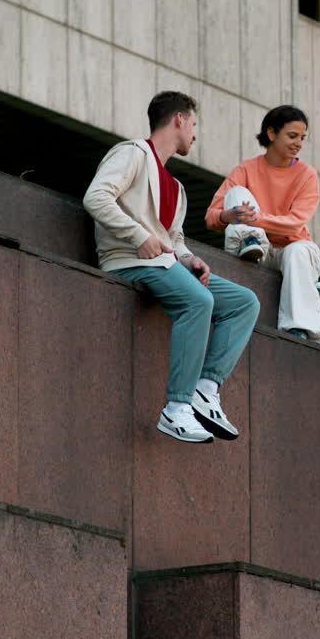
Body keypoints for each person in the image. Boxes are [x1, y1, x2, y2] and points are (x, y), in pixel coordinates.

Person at [83, 91, 259, 444]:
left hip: (163, 264)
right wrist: (137, 236)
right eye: (194, 124)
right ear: (179, 119)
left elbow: (173, 240)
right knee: (199, 301)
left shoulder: (176, 188)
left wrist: (188, 258)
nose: (195, 134)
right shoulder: (131, 153)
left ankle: (205, 389)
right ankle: (176, 409)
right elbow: (95, 197)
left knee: (244, 303)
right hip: (128, 260)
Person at [204, 105, 320, 343]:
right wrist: (226, 216)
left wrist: (255, 220)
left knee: (298, 250)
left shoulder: (307, 174)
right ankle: (250, 241)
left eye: (302, 138)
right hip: (254, 247)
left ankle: (299, 330)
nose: (299, 143)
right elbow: (211, 216)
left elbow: (294, 225)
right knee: (238, 191)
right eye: (292, 136)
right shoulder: (246, 169)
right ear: (271, 134)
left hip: (291, 250)